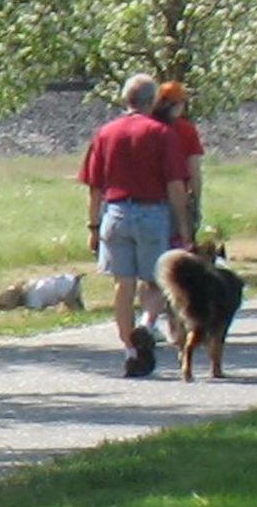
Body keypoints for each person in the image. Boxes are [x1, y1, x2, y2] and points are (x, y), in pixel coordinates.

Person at [80, 76, 186, 376]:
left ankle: (129, 350)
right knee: (154, 281)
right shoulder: (161, 133)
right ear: (152, 101)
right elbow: (175, 185)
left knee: (122, 284)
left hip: (115, 213)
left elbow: (95, 187)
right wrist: (183, 225)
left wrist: (93, 225)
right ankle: (147, 325)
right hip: (152, 212)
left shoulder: (105, 133)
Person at [154, 80, 207, 249]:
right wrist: (196, 202)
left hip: (146, 199)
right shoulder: (186, 130)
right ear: (177, 104)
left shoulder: (145, 126)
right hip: (176, 199)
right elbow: (194, 172)